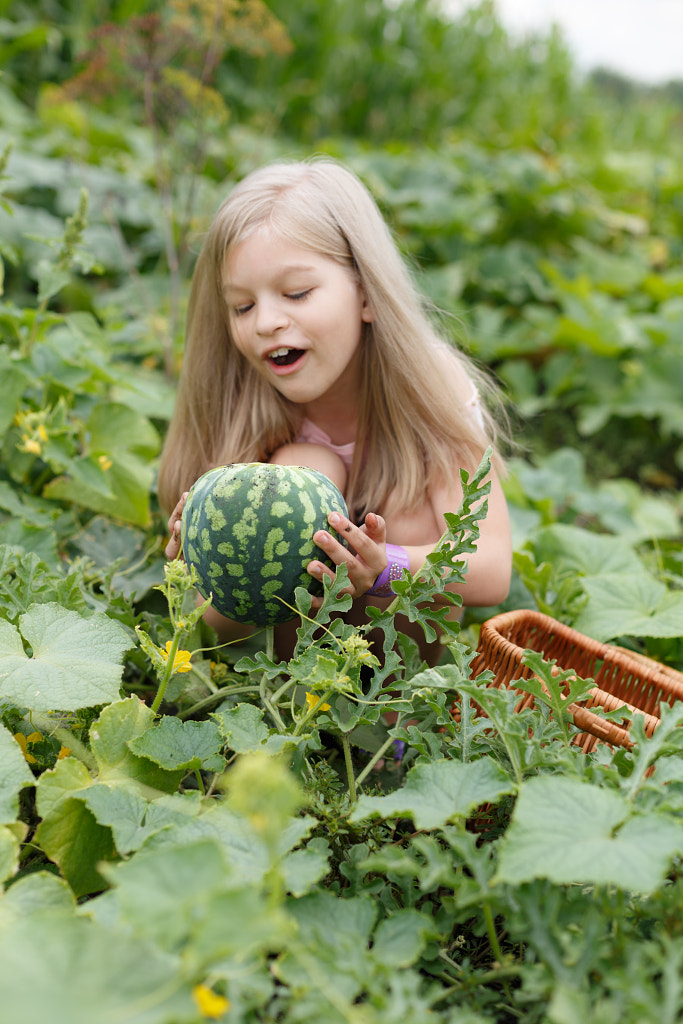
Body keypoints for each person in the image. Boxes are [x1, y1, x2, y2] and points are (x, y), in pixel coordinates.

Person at [159, 157, 512, 659]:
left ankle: (396, 706)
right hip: (299, 678)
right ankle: (300, 696)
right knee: (301, 468)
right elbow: (220, 632)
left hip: (398, 672)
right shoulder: (248, 402)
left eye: (296, 293)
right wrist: (209, 566)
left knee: (406, 515)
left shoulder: (429, 382)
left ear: (366, 293)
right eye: (243, 306)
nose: (265, 322)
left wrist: (384, 567)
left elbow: (493, 567)